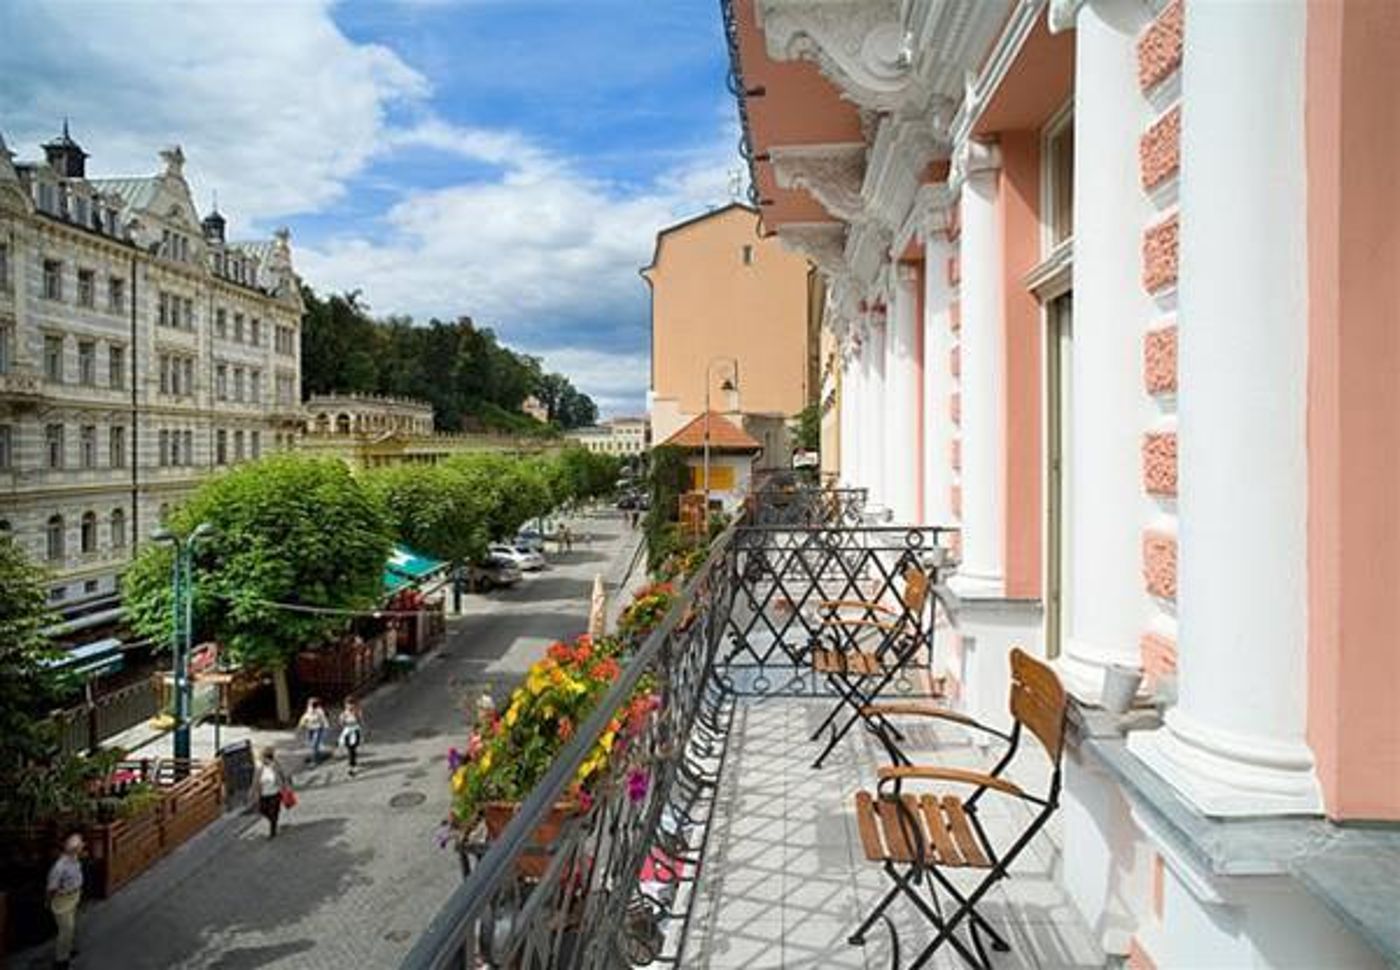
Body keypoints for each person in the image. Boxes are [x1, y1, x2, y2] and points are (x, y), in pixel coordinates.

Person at [47, 832, 84, 969]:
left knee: (72, 925)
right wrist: (49, 901)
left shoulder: (75, 859)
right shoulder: (59, 867)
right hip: (63, 899)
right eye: (78, 844)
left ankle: (69, 949)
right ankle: (61, 960)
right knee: (66, 929)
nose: (81, 846)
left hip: (75, 895)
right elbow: (51, 888)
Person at [254, 747, 291, 838]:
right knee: (262, 810)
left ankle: (272, 830)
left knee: (274, 811)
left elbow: (283, 775)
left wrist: (286, 786)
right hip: (263, 794)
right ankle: (273, 821)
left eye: (263, 757)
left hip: (275, 793)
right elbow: (255, 780)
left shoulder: (275, 765)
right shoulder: (259, 767)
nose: (262, 759)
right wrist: (253, 791)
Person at [339, 696, 365, 776]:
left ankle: (352, 765)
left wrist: (362, 729)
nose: (350, 706)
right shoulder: (343, 714)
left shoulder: (357, 712)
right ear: (345, 705)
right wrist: (343, 720)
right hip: (347, 731)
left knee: (353, 747)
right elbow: (341, 723)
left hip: (355, 730)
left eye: (351, 704)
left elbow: (361, 721)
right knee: (350, 748)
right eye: (348, 704)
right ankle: (352, 765)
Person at [298, 697, 329, 764]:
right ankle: (316, 756)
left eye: (313, 704)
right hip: (310, 729)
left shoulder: (319, 711)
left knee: (315, 744)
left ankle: (316, 759)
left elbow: (323, 720)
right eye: (310, 704)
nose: (311, 705)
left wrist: (325, 728)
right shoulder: (309, 710)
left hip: (317, 729)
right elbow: (305, 717)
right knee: (311, 744)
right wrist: (301, 724)